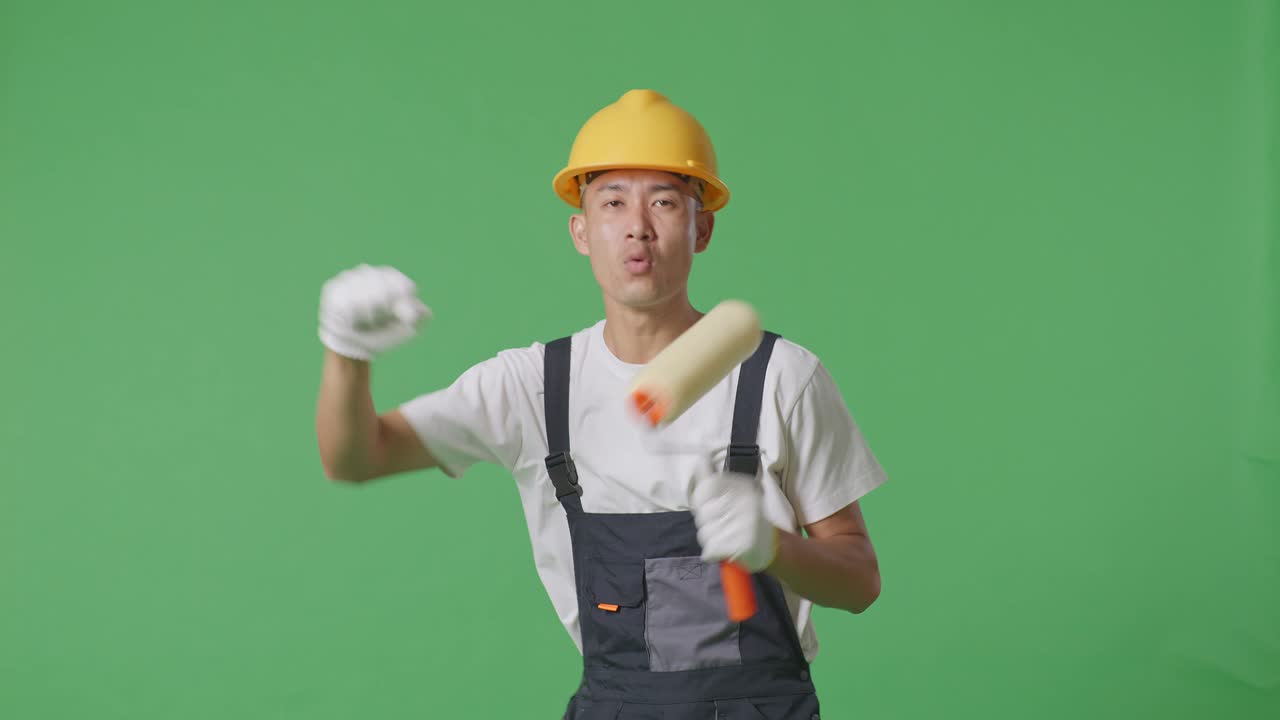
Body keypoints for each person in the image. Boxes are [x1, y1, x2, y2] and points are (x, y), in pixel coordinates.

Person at [314, 89, 888, 719]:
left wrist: (773, 546)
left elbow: (860, 581)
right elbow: (356, 457)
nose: (638, 225)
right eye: (613, 202)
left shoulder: (781, 375)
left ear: (703, 228)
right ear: (581, 231)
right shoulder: (531, 386)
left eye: (665, 201)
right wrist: (347, 352)